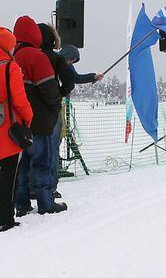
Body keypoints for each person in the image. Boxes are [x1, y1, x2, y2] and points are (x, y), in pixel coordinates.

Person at [13, 16, 66, 216]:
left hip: (17, 124)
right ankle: (46, 203)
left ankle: (22, 204)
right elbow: (50, 90)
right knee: (42, 164)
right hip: (40, 121)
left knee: (22, 168)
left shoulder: (11, 56)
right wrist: (54, 108)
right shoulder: (37, 57)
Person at [38, 35, 102, 197]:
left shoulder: (64, 66)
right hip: (49, 107)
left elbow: (75, 78)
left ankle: (51, 186)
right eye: (70, 61)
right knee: (48, 147)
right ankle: (46, 187)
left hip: (55, 106)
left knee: (54, 144)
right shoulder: (55, 62)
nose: (70, 64)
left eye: (73, 62)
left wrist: (92, 76)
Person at [0, 27, 33, 232]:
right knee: (8, 177)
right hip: (7, 132)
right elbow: (20, 100)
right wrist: (29, 118)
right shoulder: (9, 67)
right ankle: (5, 219)